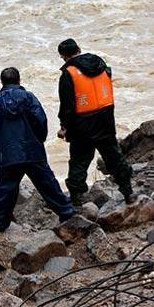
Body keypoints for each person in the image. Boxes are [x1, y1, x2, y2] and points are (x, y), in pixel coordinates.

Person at [0, 67, 75, 232]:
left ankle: (1, 224)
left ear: (2, 82)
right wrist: (39, 140)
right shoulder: (29, 97)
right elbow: (41, 121)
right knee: (47, 184)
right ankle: (66, 212)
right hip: (32, 151)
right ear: (19, 80)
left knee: (5, 189)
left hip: (7, 154)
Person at [56, 39, 134, 206]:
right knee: (115, 157)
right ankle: (128, 192)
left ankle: (77, 201)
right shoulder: (101, 65)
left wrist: (64, 127)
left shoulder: (68, 74)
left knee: (79, 161)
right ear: (79, 49)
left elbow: (67, 105)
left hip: (82, 125)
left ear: (64, 57)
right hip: (105, 120)